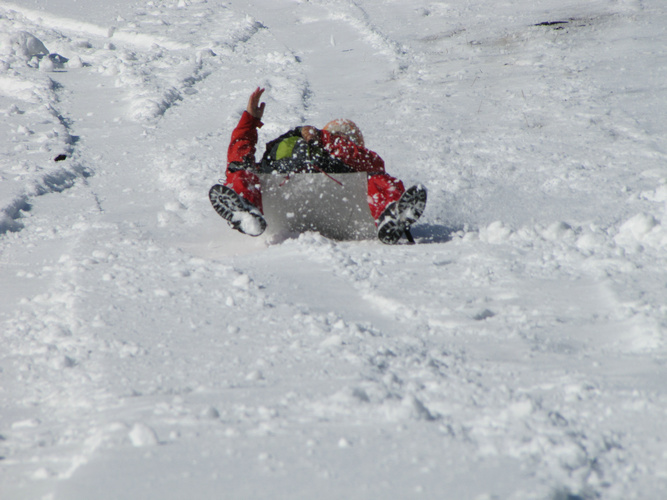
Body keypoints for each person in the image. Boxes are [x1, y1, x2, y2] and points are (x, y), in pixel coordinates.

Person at [209, 87, 426, 244]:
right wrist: (249, 122)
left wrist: (323, 138)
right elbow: (239, 159)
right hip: (281, 197)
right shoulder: (302, 147)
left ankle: (393, 214)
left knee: (379, 180)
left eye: (346, 138)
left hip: (344, 202)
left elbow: (369, 161)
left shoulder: (364, 162)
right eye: (335, 135)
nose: (339, 140)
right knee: (242, 172)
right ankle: (246, 212)